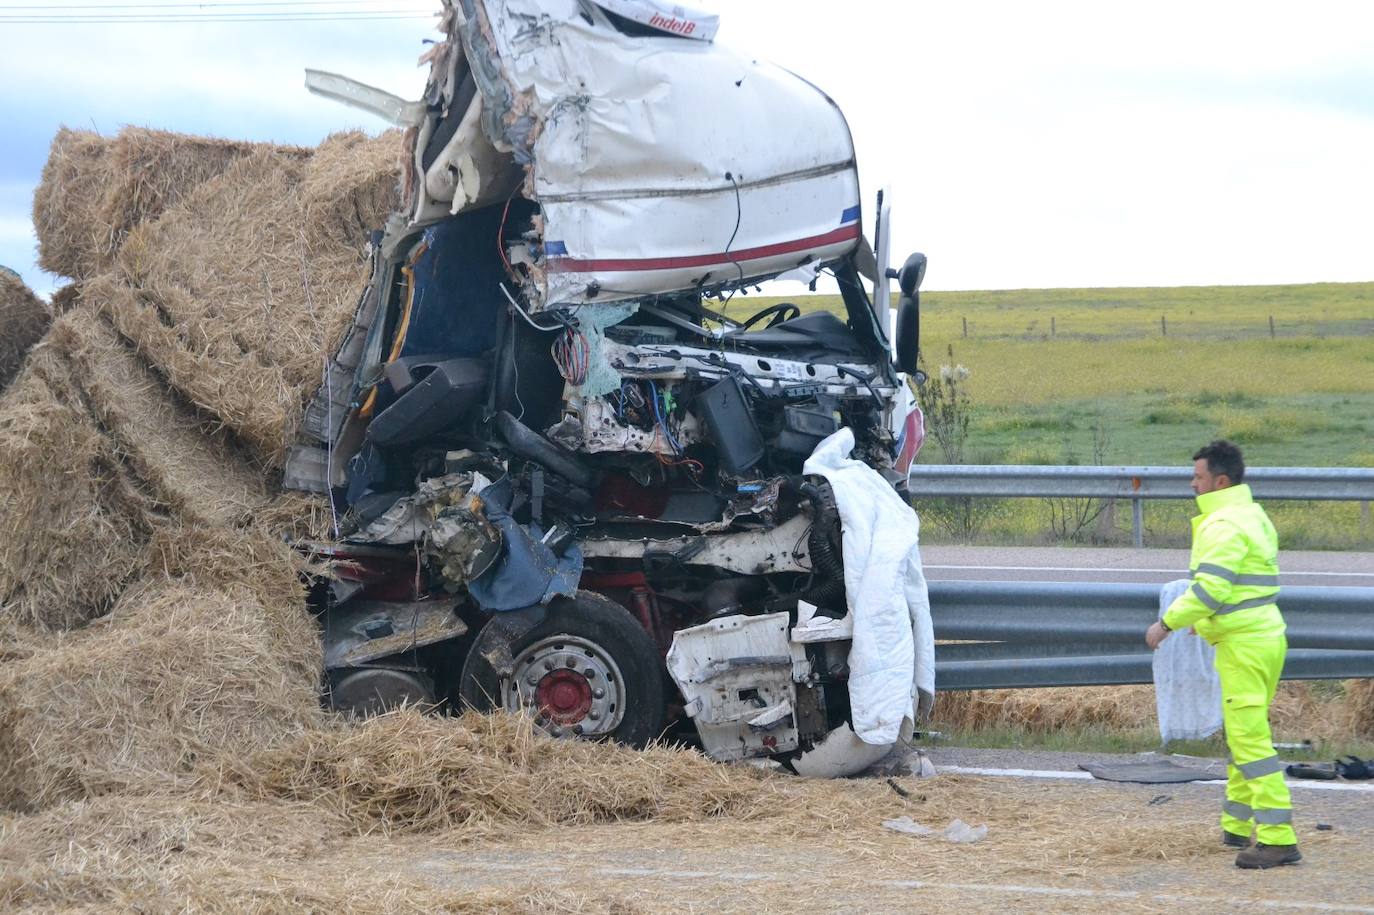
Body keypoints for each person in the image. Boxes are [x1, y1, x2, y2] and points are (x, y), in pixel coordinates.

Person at [1145, 440, 1299, 869]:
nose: (1192, 484)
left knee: (1250, 741)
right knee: (1242, 732)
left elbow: (1210, 590)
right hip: (1266, 636)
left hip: (1244, 647)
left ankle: (1277, 838)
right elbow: (1242, 588)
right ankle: (1236, 824)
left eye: (1198, 477)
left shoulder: (1223, 522)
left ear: (1220, 480)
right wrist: (1208, 620)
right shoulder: (1253, 514)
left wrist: (1167, 624)